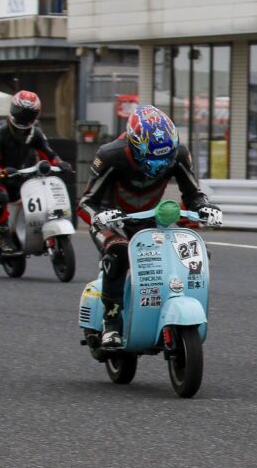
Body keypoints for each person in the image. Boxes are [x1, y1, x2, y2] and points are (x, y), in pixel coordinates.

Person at [78, 105, 223, 348]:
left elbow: (193, 194)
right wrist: (102, 216)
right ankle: (111, 322)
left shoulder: (179, 154)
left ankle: (166, 306)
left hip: (149, 219)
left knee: (195, 253)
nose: (159, 165)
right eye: (152, 158)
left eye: (165, 159)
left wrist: (205, 207)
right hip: (112, 221)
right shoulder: (110, 155)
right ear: (134, 146)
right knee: (118, 251)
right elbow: (85, 202)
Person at [0, 90, 71, 254]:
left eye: (29, 113)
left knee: (41, 190)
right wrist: (0, 172)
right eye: (21, 111)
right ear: (13, 109)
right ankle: (4, 238)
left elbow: (48, 153)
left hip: (21, 174)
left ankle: (36, 231)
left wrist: (60, 163)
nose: (23, 116)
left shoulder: (36, 132)